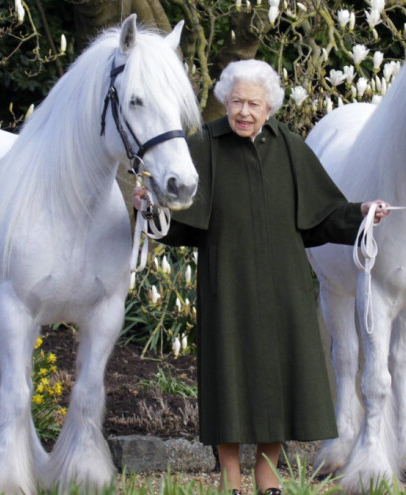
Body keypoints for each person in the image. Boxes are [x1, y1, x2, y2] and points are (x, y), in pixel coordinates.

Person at [132, 59, 388, 495]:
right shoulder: (206, 145)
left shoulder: (289, 146)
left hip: (283, 285)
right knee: (227, 377)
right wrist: (148, 208)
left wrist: (361, 213)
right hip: (226, 282)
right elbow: (180, 220)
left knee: (280, 377)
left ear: (269, 107)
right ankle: (230, 473)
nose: (244, 112)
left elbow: (322, 215)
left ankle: (267, 471)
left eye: (253, 103)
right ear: (224, 103)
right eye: (236, 102)